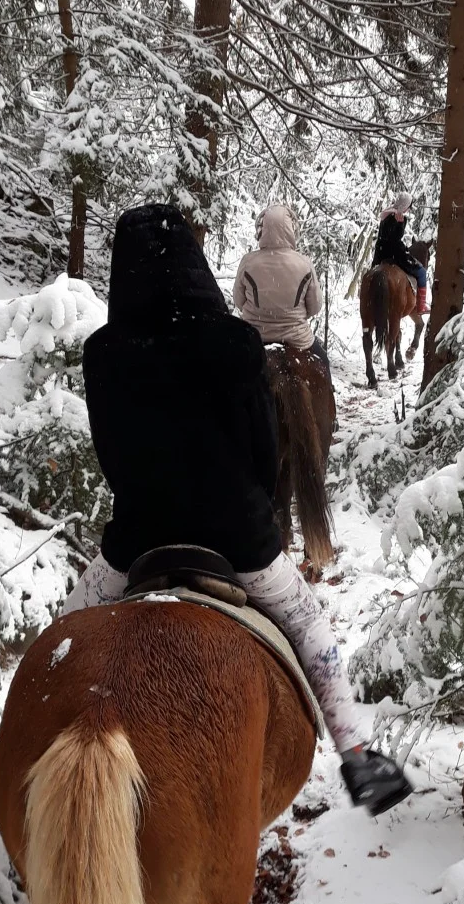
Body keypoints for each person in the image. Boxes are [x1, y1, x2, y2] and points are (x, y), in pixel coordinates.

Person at [63, 203, 412, 817]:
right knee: (308, 626)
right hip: (240, 537)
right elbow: (263, 452)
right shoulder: (236, 344)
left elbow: (111, 458)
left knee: (61, 642)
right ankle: (358, 755)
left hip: (137, 539)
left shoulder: (103, 354)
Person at [232, 203, 328, 370]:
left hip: (254, 336)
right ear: (291, 229)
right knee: (323, 363)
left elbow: (238, 301)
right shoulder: (304, 263)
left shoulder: (248, 261)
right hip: (298, 339)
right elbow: (315, 307)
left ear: (263, 228)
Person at [372, 191, 428, 315]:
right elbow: (395, 239)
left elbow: (384, 238)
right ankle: (421, 306)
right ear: (405, 205)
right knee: (422, 272)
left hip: (379, 256)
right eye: (408, 206)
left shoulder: (385, 215)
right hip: (394, 255)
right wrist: (401, 224)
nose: (409, 209)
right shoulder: (399, 217)